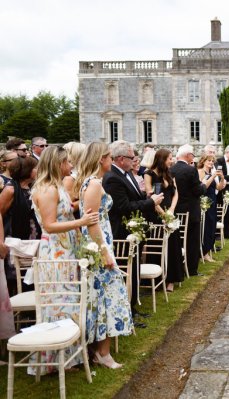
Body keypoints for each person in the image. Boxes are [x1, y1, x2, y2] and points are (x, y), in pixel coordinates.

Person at [30, 146, 99, 374]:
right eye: (67, 162)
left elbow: (65, 212)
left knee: (70, 300)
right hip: (56, 253)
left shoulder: (58, 186)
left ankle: (69, 357)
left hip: (66, 249)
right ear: (57, 164)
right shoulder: (48, 189)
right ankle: (53, 361)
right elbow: (49, 225)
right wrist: (82, 222)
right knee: (59, 302)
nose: (71, 166)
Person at [75, 142, 133, 369]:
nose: (111, 160)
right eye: (109, 157)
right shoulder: (94, 184)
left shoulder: (92, 183)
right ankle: (103, 353)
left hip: (101, 243)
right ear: (102, 159)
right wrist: (105, 252)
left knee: (103, 297)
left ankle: (100, 350)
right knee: (106, 298)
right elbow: (92, 224)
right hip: (98, 247)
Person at [103, 140, 163, 327]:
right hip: (123, 231)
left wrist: (147, 198)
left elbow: (134, 198)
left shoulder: (127, 173)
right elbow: (123, 207)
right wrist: (151, 202)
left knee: (135, 268)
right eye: (131, 157)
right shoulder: (112, 177)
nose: (134, 160)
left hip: (134, 230)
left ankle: (133, 307)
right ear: (120, 159)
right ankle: (127, 309)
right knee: (127, 271)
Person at [144, 148, 184, 292]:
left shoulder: (170, 173)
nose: (172, 161)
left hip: (170, 213)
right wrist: (163, 215)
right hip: (156, 214)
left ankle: (171, 279)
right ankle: (156, 280)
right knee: (157, 245)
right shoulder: (148, 174)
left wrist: (171, 211)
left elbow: (175, 194)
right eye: (169, 158)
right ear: (162, 159)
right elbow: (150, 197)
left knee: (173, 246)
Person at [171, 144, 206, 275]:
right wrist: (203, 186)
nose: (193, 157)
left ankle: (179, 266)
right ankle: (191, 269)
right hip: (191, 210)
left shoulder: (171, 169)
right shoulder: (191, 170)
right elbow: (197, 190)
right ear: (188, 155)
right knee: (192, 240)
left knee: (178, 240)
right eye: (192, 154)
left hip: (176, 209)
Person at [0, 156, 40, 240]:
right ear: (27, 170)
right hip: (15, 238)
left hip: (33, 236)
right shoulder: (11, 190)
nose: (39, 170)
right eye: (36, 168)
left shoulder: (33, 187)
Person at [197, 154, 225, 262]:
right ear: (203, 161)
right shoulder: (200, 172)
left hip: (213, 201)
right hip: (205, 202)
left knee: (212, 226)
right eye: (209, 160)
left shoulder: (211, 172)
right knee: (206, 227)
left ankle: (207, 250)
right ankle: (203, 252)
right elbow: (203, 188)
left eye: (212, 161)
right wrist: (213, 176)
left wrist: (221, 177)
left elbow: (219, 187)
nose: (211, 163)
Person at [62, 141, 87, 215]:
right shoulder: (70, 178)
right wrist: (89, 199)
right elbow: (66, 208)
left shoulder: (82, 174)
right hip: (77, 219)